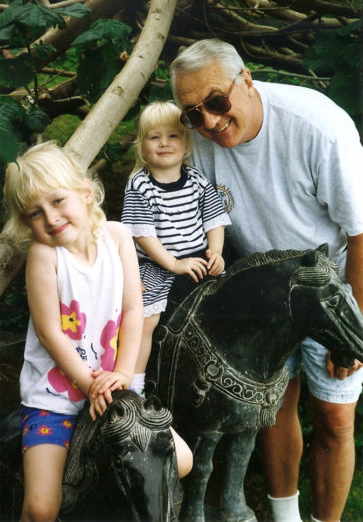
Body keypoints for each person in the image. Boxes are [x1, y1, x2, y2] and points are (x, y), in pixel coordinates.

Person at [169, 38, 363, 522]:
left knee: (335, 419)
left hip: (327, 286)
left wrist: (354, 328)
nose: (209, 121)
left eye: (216, 102)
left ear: (247, 81)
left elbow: (361, 234)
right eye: (193, 113)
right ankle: (285, 516)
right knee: (271, 411)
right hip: (257, 291)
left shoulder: (318, 127)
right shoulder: (195, 141)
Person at [1, 141, 192, 522]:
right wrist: (89, 385)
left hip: (116, 384)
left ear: (85, 193)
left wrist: (122, 376)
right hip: (55, 395)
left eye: (57, 201)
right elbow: (50, 332)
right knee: (41, 508)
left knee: (181, 461)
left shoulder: (118, 237)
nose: (50, 219)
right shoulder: (44, 255)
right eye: (34, 213)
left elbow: (134, 310)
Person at [121, 101, 231, 396]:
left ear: (186, 145)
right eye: (154, 137)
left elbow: (214, 219)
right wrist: (173, 264)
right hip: (156, 264)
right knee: (146, 319)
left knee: (228, 302)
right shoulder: (140, 185)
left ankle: (221, 374)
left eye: (173, 136)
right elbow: (144, 236)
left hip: (197, 258)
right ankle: (135, 384)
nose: (164, 143)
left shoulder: (196, 180)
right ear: (142, 147)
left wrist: (216, 252)